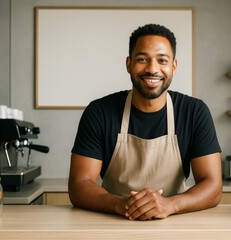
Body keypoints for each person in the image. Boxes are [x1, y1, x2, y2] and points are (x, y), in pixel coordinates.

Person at [68, 23, 222, 221]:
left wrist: (169, 205)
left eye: (162, 60)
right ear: (128, 64)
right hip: (113, 222)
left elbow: (213, 186)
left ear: (173, 67)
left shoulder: (194, 112)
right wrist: (122, 205)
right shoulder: (99, 112)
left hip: (174, 224)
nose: (152, 69)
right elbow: (79, 184)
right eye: (142, 59)